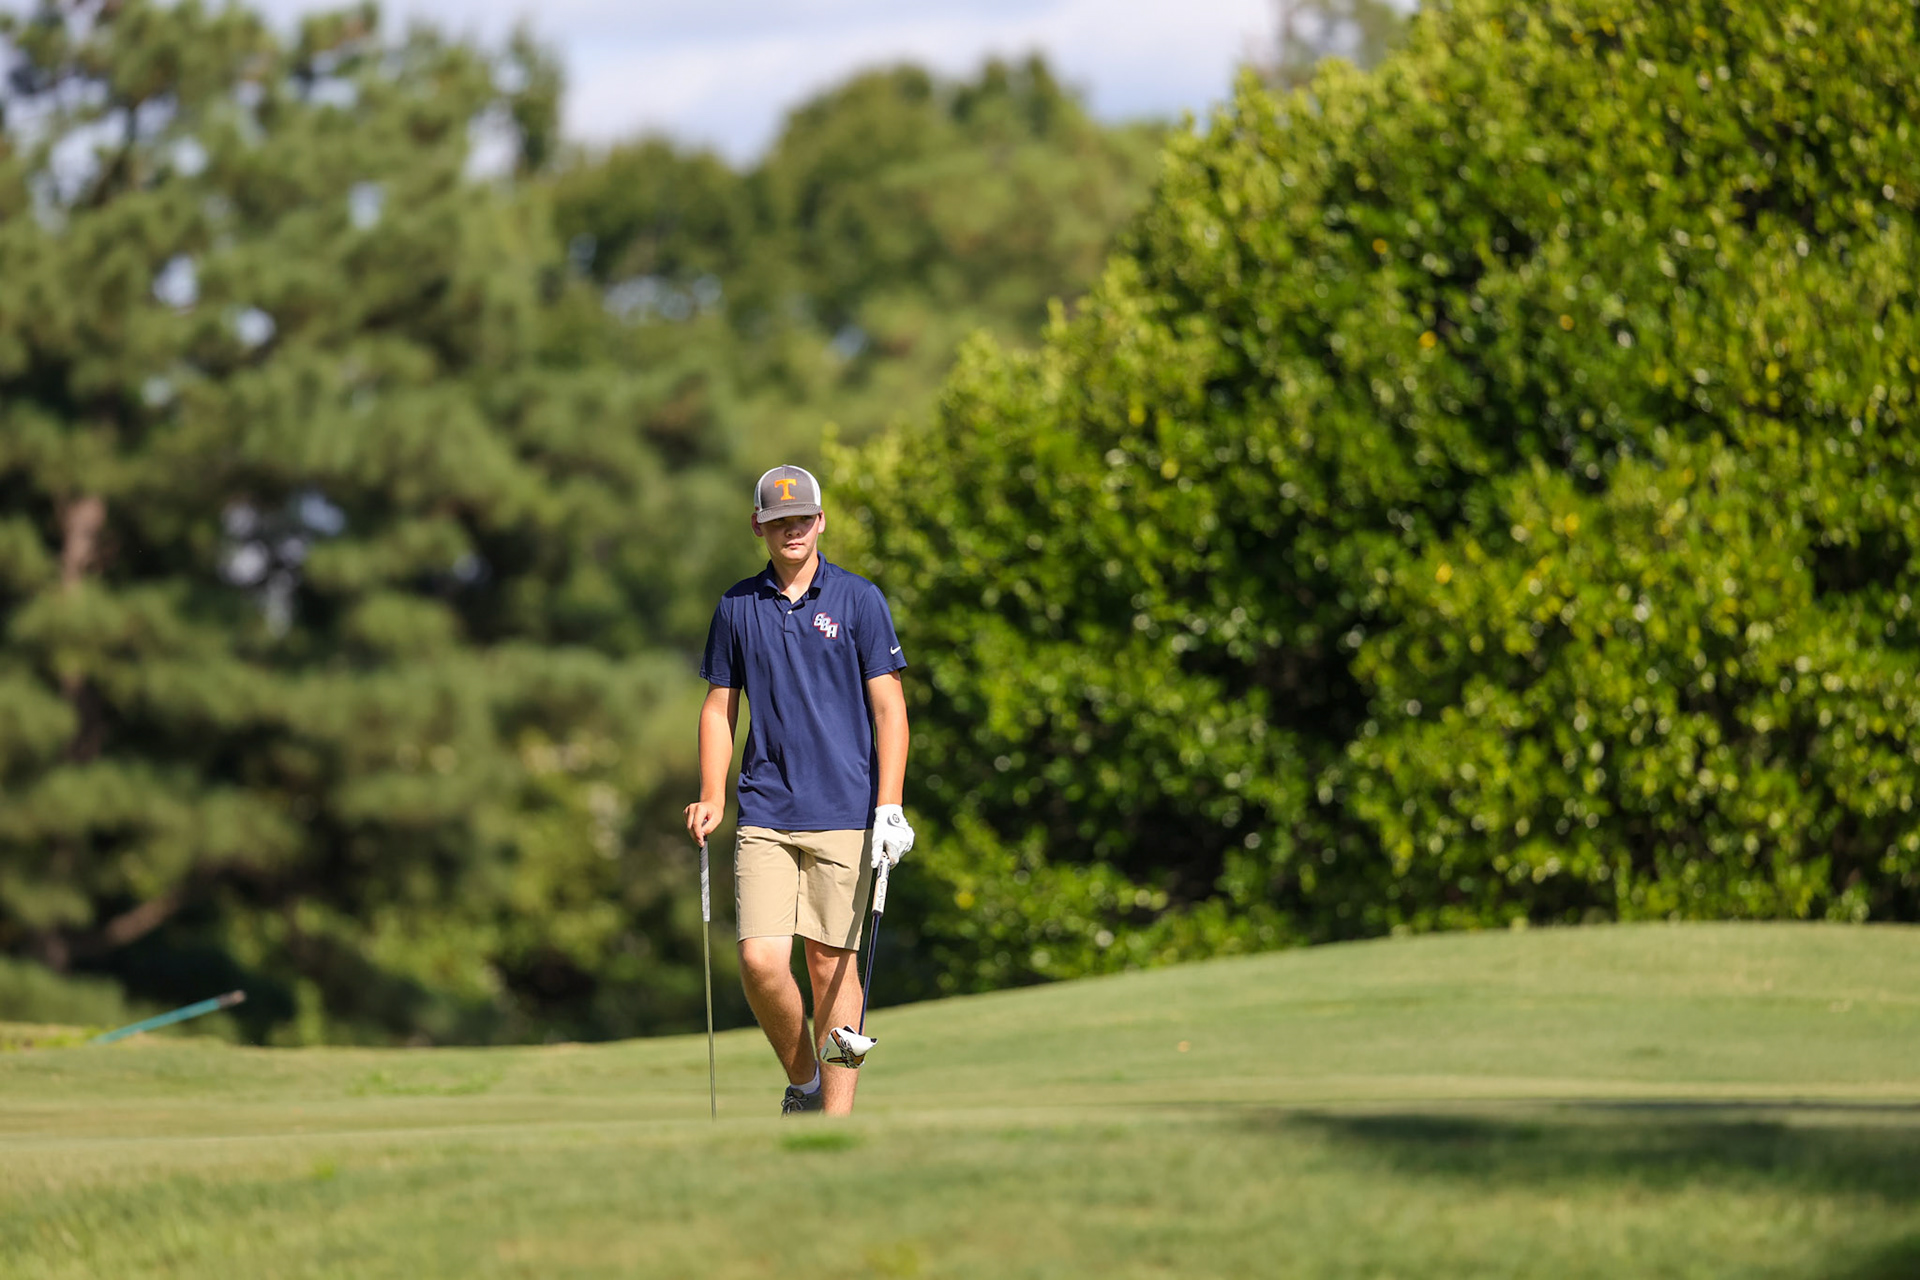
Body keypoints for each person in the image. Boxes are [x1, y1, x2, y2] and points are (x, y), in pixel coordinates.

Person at [684, 464, 914, 1116]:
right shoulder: (737, 607)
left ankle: (833, 1124)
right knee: (761, 962)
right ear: (758, 526)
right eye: (779, 520)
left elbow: (890, 710)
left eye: (803, 518)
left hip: (846, 810)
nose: (792, 530)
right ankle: (807, 1080)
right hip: (766, 808)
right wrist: (712, 793)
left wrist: (890, 804)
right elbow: (717, 709)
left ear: (821, 522)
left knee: (828, 967)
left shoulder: (859, 600)